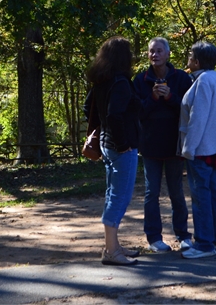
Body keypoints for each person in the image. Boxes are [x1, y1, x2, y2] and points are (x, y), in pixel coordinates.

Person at [133, 37, 194, 253]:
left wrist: (170, 97)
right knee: (151, 193)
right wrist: (152, 98)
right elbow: (137, 113)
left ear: (168, 54)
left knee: (176, 191)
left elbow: (189, 111)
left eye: (159, 51)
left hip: (175, 145)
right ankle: (154, 238)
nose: (155, 55)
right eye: (151, 51)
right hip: (150, 146)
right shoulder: (140, 80)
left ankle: (183, 235)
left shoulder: (181, 79)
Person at [85, 36, 142, 266]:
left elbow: (88, 108)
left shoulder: (102, 81)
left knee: (113, 195)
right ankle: (111, 251)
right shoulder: (119, 82)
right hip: (119, 148)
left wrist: (106, 132)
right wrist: (123, 143)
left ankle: (113, 245)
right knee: (119, 197)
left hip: (107, 147)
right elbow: (114, 114)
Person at [177, 41, 216, 259]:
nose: (188, 60)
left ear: (197, 61)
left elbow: (197, 118)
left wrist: (188, 149)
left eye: (190, 56)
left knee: (201, 196)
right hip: (213, 145)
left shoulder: (203, 82)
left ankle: (204, 244)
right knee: (213, 192)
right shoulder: (214, 78)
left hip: (201, 147)